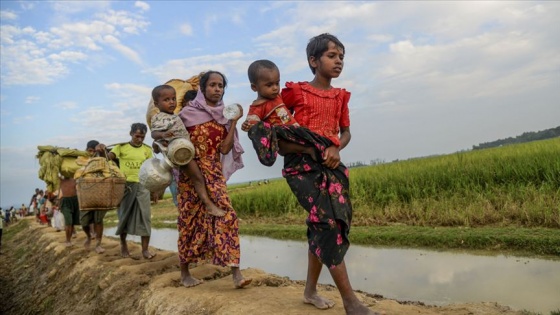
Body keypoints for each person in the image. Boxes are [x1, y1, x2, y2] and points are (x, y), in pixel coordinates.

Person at [245, 34, 379, 315]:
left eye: (341, 56)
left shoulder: (341, 97)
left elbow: (346, 132)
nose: (339, 61)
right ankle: (351, 303)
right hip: (301, 168)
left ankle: (309, 291)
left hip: (331, 168)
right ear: (313, 61)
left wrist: (334, 147)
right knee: (327, 225)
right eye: (332, 55)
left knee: (324, 225)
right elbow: (277, 134)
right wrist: (309, 150)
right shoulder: (294, 92)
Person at [176, 70, 251, 289]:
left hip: (214, 172)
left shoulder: (224, 116)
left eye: (221, 86)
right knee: (189, 221)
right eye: (213, 85)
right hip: (189, 174)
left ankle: (236, 273)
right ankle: (185, 273)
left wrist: (234, 122)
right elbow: (177, 147)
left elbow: (225, 148)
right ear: (202, 88)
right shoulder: (187, 115)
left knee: (228, 216)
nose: (217, 89)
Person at [150, 84, 225, 216]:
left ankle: (205, 205)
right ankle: (208, 205)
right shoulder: (159, 117)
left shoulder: (174, 116)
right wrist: (162, 136)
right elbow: (154, 133)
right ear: (156, 104)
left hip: (184, 149)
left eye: (173, 99)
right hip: (179, 153)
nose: (171, 102)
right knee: (197, 177)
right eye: (166, 100)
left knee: (196, 178)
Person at [104, 123, 156, 259]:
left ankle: (145, 250)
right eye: (137, 136)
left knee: (145, 217)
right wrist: (101, 151)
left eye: (142, 137)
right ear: (131, 134)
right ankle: (123, 245)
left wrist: (155, 189)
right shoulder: (121, 147)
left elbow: (151, 168)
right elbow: (109, 157)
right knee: (124, 216)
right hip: (125, 186)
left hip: (143, 185)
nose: (139, 139)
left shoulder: (147, 150)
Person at [245, 59, 299, 128]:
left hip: (295, 133)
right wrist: (247, 125)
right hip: (279, 137)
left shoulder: (278, 97)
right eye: (269, 85)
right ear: (254, 87)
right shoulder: (257, 108)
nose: (275, 88)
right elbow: (253, 128)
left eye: (277, 83)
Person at [79, 140, 110, 253]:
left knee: (98, 220)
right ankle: (88, 236)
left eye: (94, 151)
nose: (92, 153)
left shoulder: (102, 159)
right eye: (90, 151)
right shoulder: (82, 160)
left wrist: (102, 151)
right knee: (84, 222)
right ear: (87, 150)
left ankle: (98, 244)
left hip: (100, 193)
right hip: (85, 194)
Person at [58, 176, 80, 247]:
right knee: (69, 221)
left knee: (72, 222)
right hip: (65, 201)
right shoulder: (60, 180)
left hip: (75, 200)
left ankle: (70, 238)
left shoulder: (75, 179)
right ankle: (67, 240)